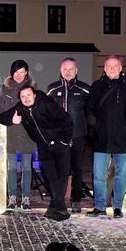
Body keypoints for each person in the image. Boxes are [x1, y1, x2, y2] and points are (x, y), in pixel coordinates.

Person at [0, 85, 74, 221]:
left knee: (62, 176)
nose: (26, 99)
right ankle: (58, 208)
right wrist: (6, 120)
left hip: (60, 145)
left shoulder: (46, 104)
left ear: (35, 95)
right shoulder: (21, 108)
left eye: (28, 95)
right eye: (22, 96)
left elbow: (66, 119)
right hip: (44, 147)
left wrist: (64, 140)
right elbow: (2, 116)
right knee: (50, 177)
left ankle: (57, 209)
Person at [85, 56, 126, 219]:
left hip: (122, 138)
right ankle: (99, 206)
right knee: (98, 175)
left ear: (120, 68)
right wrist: (95, 124)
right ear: (104, 68)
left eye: (115, 66)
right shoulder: (97, 86)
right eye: (109, 66)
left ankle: (118, 206)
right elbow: (88, 108)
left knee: (121, 174)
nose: (112, 69)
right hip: (101, 138)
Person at [46, 57, 91, 213]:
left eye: (71, 69)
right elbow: (47, 113)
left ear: (76, 70)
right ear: (60, 70)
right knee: (60, 169)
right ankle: (58, 200)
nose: (68, 72)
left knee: (77, 168)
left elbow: (91, 112)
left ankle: (76, 199)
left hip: (78, 135)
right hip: (59, 136)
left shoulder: (85, 89)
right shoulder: (52, 89)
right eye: (65, 69)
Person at [0, 59, 37, 210]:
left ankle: (26, 199)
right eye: (16, 72)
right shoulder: (6, 90)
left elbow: (37, 113)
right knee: (11, 168)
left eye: (22, 72)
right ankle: (12, 198)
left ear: (26, 73)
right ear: (11, 73)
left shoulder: (33, 90)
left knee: (27, 168)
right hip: (10, 134)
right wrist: (10, 119)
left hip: (27, 135)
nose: (18, 75)